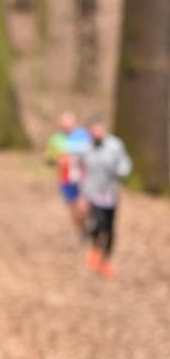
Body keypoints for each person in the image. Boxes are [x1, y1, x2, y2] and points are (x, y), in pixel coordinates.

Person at [79, 116, 132, 278]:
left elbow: (125, 163)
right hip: (94, 194)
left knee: (109, 227)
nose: (96, 132)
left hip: (110, 193)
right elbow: (82, 171)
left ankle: (106, 260)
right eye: (93, 130)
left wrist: (121, 172)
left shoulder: (115, 145)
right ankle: (95, 249)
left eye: (98, 129)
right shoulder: (86, 149)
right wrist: (83, 193)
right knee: (98, 223)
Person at [43, 110, 91, 234]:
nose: (66, 126)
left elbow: (93, 152)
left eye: (69, 123)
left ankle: (89, 223)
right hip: (66, 179)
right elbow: (48, 158)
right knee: (73, 207)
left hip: (83, 177)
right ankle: (81, 230)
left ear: (75, 123)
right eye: (64, 123)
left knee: (84, 206)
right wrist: (56, 161)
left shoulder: (83, 135)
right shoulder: (56, 139)